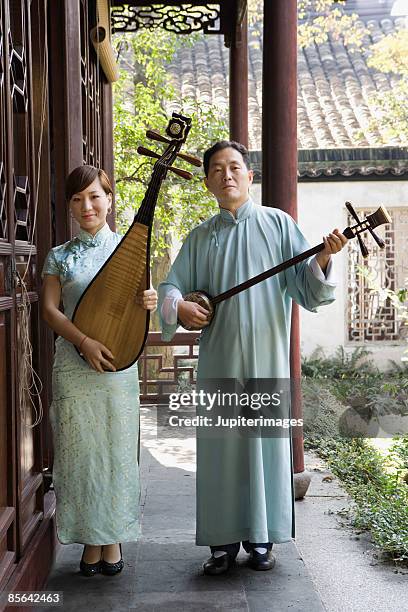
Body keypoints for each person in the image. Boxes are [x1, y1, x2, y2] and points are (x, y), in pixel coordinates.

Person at [158, 141, 348, 575]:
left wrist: (322, 257)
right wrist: (181, 307)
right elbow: (172, 287)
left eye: (235, 167)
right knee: (222, 450)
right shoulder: (200, 236)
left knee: (262, 447)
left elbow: (306, 286)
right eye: (218, 169)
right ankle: (221, 543)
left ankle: (262, 539)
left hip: (266, 361)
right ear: (207, 181)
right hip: (219, 362)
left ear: (249, 176)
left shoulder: (278, 225)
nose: (227, 175)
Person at [41, 165, 157, 577]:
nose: (87, 205)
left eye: (95, 196)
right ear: (70, 206)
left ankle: (113, 539)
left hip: (115, 367)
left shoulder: (129, 250)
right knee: (80, 455)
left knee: (116, 454)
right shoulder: (59, 256)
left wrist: (148, 302)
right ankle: (90, 540)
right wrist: (83, 342)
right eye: (77, 199)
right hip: (74, 367)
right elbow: (51, 311)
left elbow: (133, 311)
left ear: (109, 199)